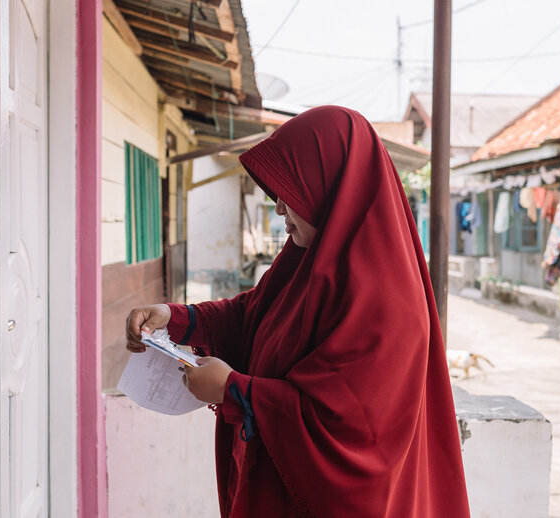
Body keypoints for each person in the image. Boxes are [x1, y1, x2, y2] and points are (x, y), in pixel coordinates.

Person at [126, 105, 471, 518]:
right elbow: (251, 315)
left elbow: (357, 433)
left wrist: (235, 390)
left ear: (329, 188)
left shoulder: (387, 300)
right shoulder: (306, 260)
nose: (278, 208)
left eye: (288, 191)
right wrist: (176, 317)